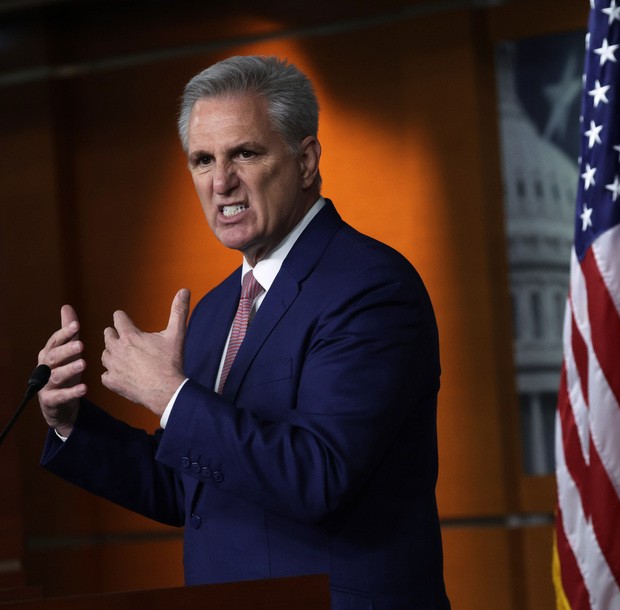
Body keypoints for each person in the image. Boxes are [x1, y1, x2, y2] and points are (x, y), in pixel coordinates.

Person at [35, 55, 450, 610]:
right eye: (202, 160)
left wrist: (168, 395)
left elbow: (319, 475)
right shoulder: (214, 311)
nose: (220, 181)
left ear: (305, 162)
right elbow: (190, 487)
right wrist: (70, 424)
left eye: (245, 153)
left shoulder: (371, 288)